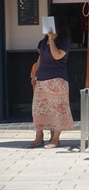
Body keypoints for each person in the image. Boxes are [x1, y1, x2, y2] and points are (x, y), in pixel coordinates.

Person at [27, 15, 74, 149]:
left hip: (57, 79)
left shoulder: (64, 40)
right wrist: (35, 73)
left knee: (57, 110)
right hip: (42, 78)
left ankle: (55, 139)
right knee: (39, 109)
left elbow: (57, 55)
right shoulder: (43, 41)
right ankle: (39, 137)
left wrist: (52, 40)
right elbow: (41, 57)